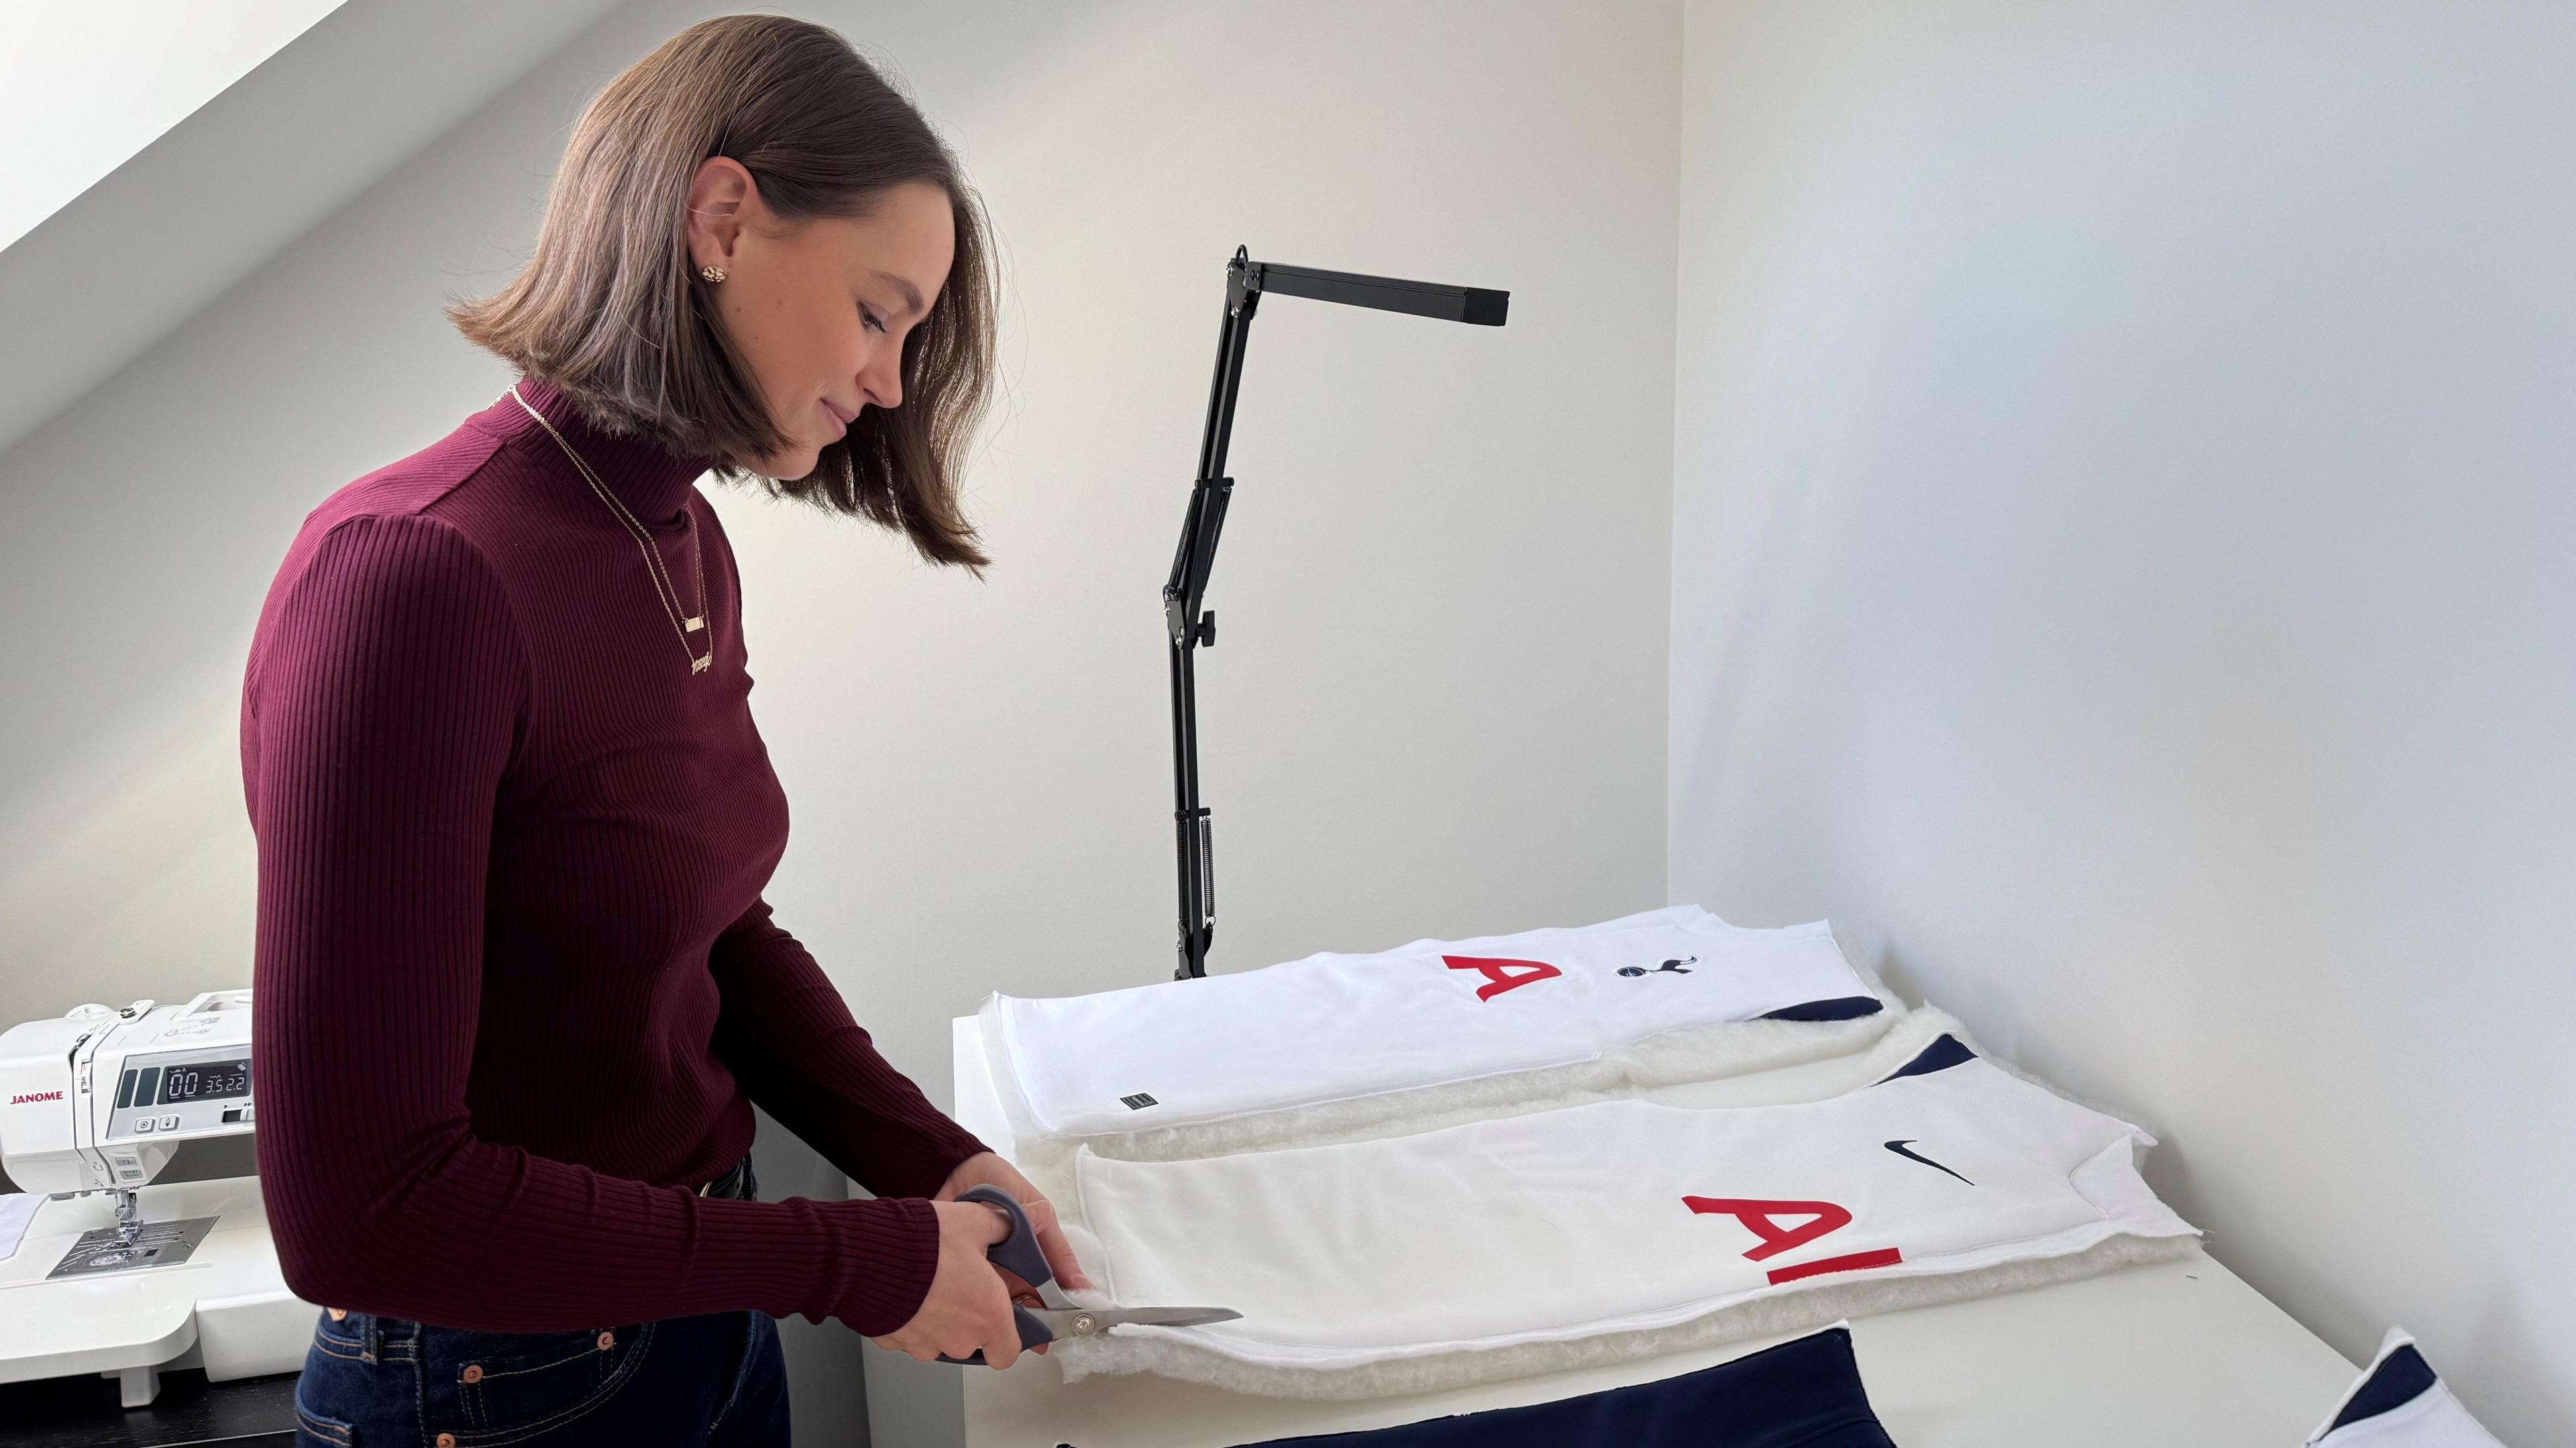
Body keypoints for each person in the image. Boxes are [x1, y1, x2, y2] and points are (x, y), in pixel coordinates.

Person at [241, 17, 1083, 1446]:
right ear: (722, 218)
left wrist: (931, 1164)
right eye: (880, 311)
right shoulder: (413, 581)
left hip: (694, 1322)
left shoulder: (675, 535)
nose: (889, 380)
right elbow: (361, 1212)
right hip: (496, 1390)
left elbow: (713, 935)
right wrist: (853, 1264)